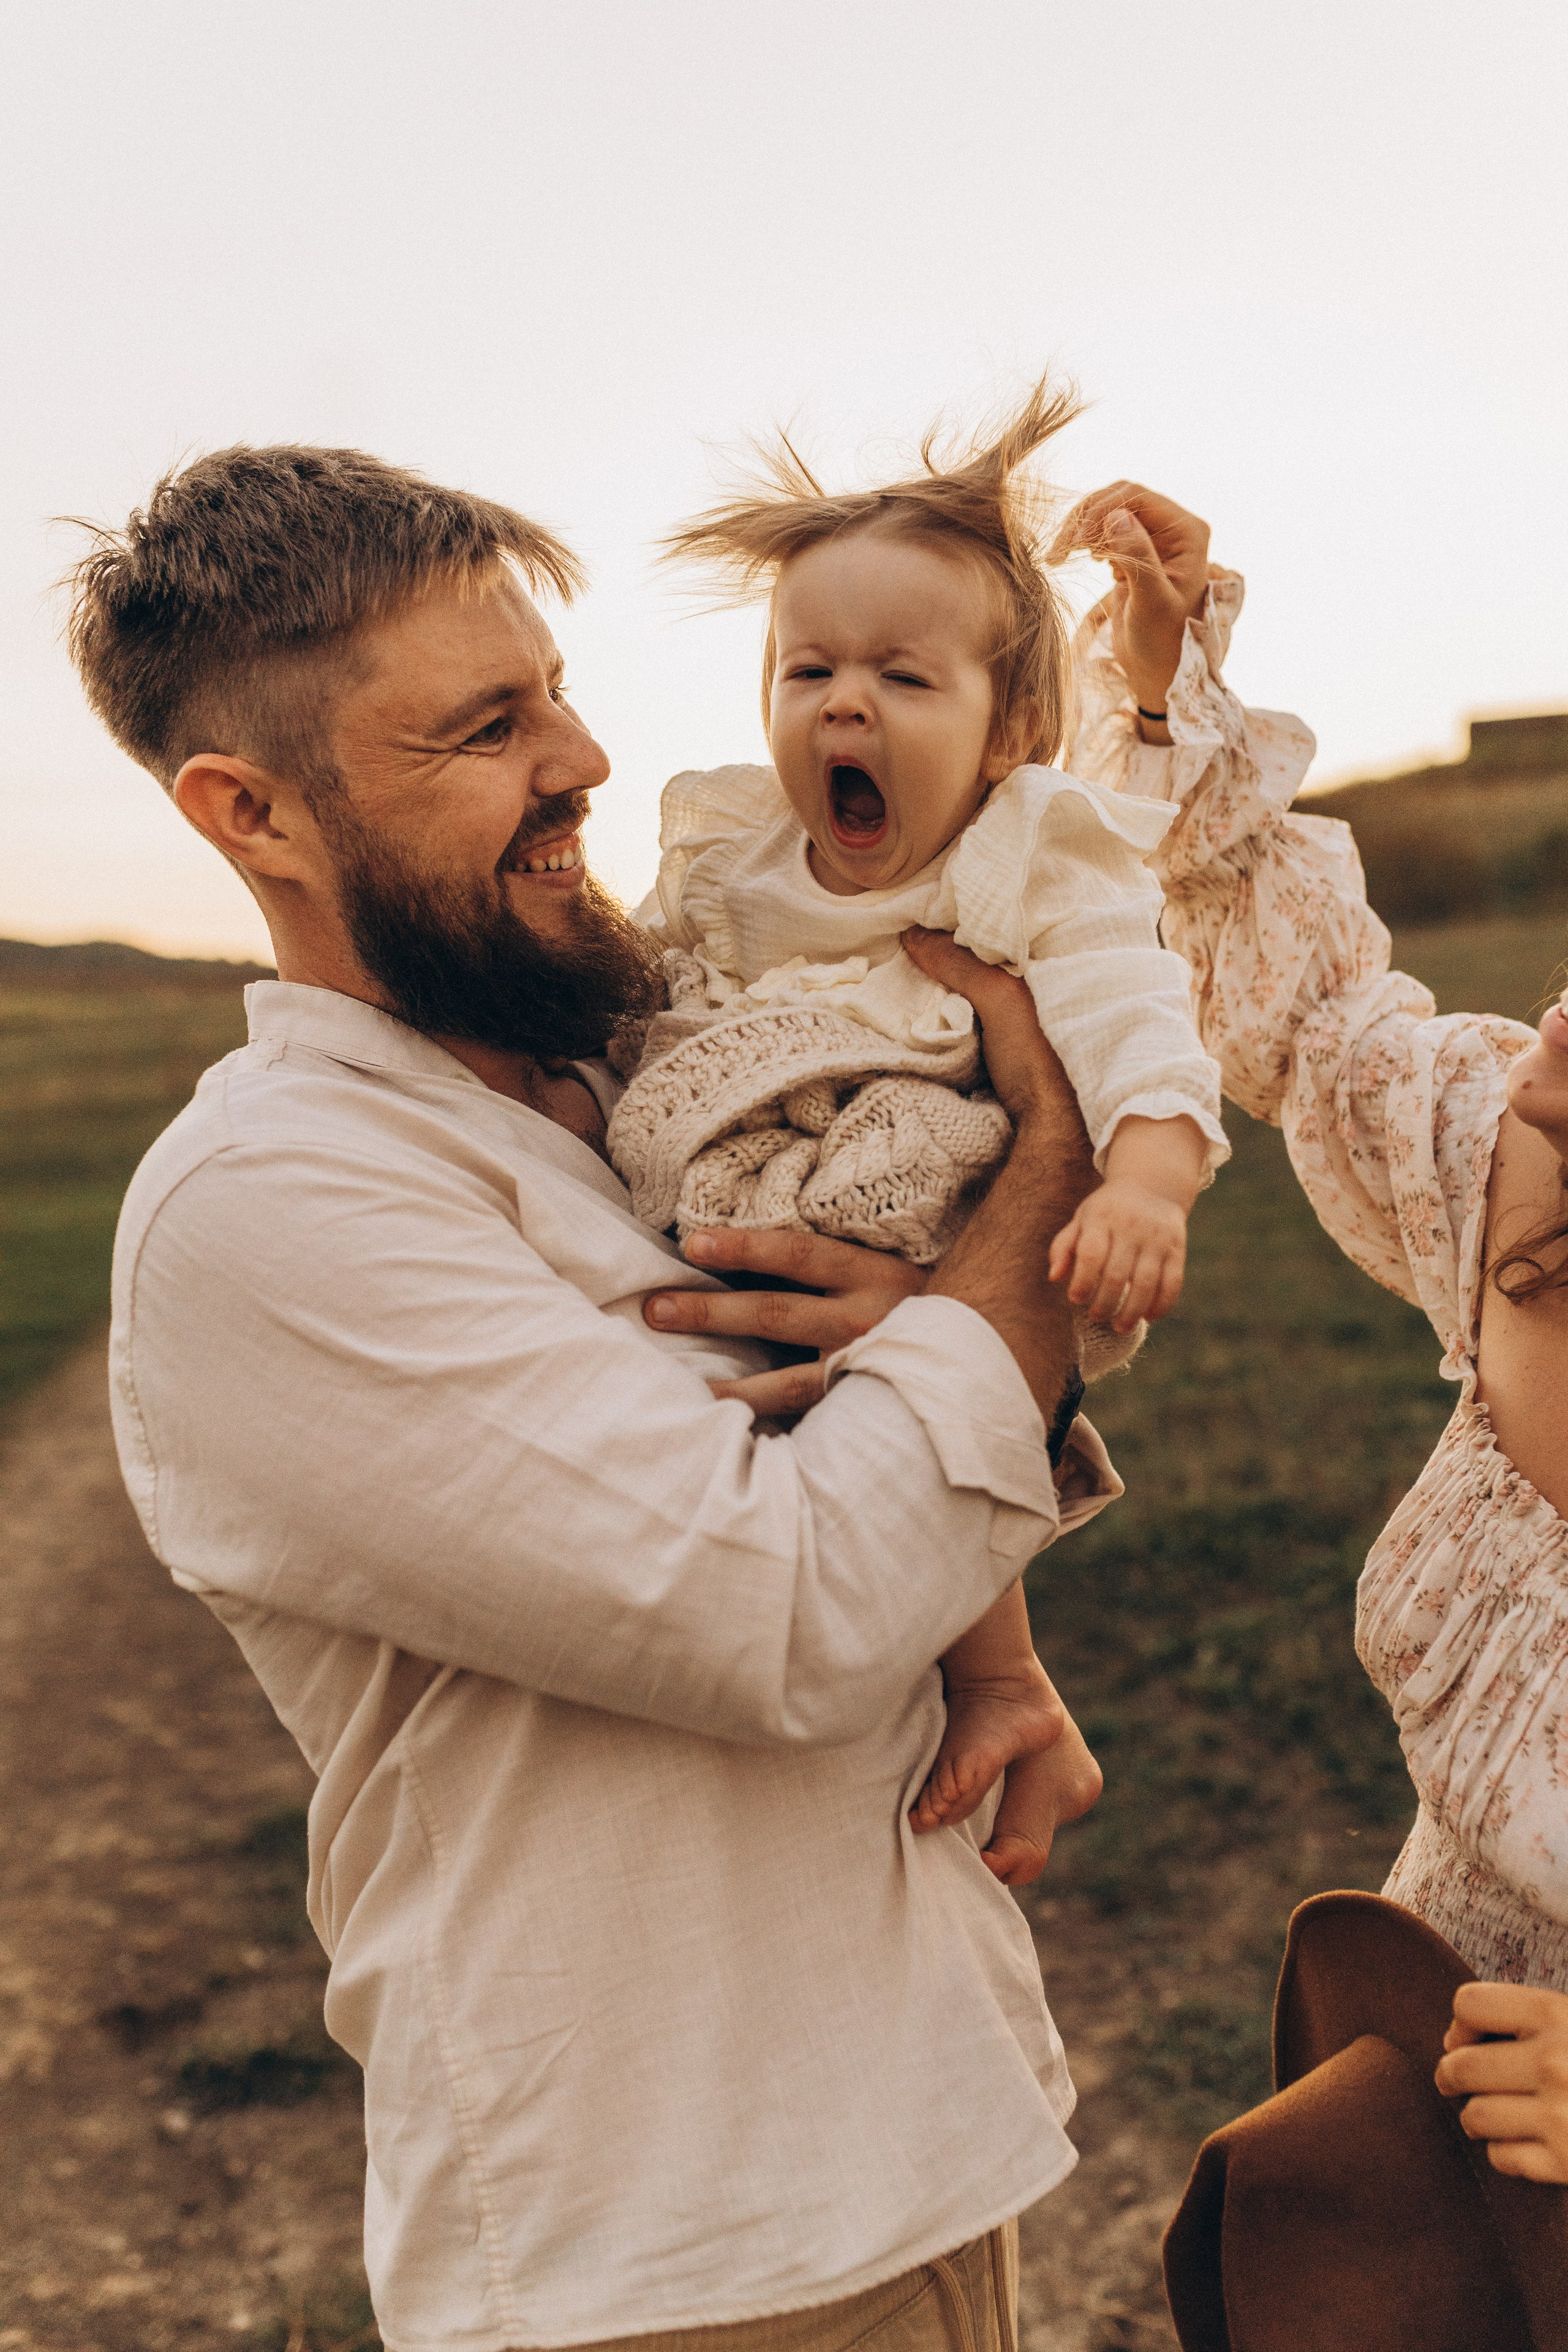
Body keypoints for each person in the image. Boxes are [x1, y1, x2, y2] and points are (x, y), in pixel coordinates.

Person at [66, 443, 1181, 2352]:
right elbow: (788, 1606)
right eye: (486, 729)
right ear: (253, 812)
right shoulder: (273, 1210)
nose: (580, 758)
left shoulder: (621, 1080)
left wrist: (977, 1586)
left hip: (920, 2145)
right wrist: (1048, 1188)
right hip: (671, 2248)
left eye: (559, 692)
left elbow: (875, 1424)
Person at [608, 382, 1226, 1863]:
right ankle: (942, 1675)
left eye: (902, 676)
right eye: (806, 667)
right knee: (810, 1403)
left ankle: (1002, 1674)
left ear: (1011, 725)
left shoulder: (1031, 858)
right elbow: (636, 984)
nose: (842, 705)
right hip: (759, 1143)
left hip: (923, 1174)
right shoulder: (729, 847)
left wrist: (1144, 1185)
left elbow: (1138, 1017)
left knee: (902, 1380)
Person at [1047, 477, 1568, 2182]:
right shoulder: (1513, 1166)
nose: (1551, 1026)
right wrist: (1162, 679)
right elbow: (1325, 1017)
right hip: (1412, 2163)